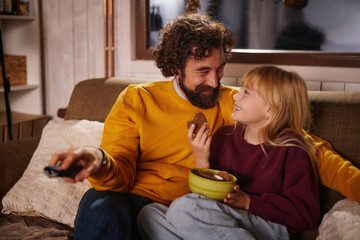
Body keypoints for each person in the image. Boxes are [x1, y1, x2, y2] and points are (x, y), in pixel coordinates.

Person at [48, 13, 360, 240]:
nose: (215, 81)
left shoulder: (235, 104)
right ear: (175, 67)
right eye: (202, 71)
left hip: (198, 207)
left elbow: (308, 147)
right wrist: (97, 158)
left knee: (182, 211)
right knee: (99, 205)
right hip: (137, 200)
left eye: (220, 69)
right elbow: (121, 165)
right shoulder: (137, 99)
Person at [137, 66, 320, 240]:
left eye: (246, 92)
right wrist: (201, 158)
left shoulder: (291, 149)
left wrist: (248, 202)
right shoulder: (224, 136)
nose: (236, 97)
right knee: (149, 214)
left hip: (270, 226)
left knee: (183, 207)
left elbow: (305, 215)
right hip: (222, 220)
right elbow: (204, 200)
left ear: (270, 109)